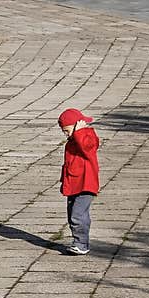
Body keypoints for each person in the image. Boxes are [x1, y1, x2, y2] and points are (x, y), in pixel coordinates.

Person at [57, 108, 100, 255]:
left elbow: (88, 148)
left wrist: (80, 132)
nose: (66, 134)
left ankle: (81, 243)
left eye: (67, 130)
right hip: (74, 185)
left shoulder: (88, 136)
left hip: (85, 185)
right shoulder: (72, 142)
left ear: (77, 125)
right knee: (72, 215)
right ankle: (80, 241)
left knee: (78, 215)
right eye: (64, 131)